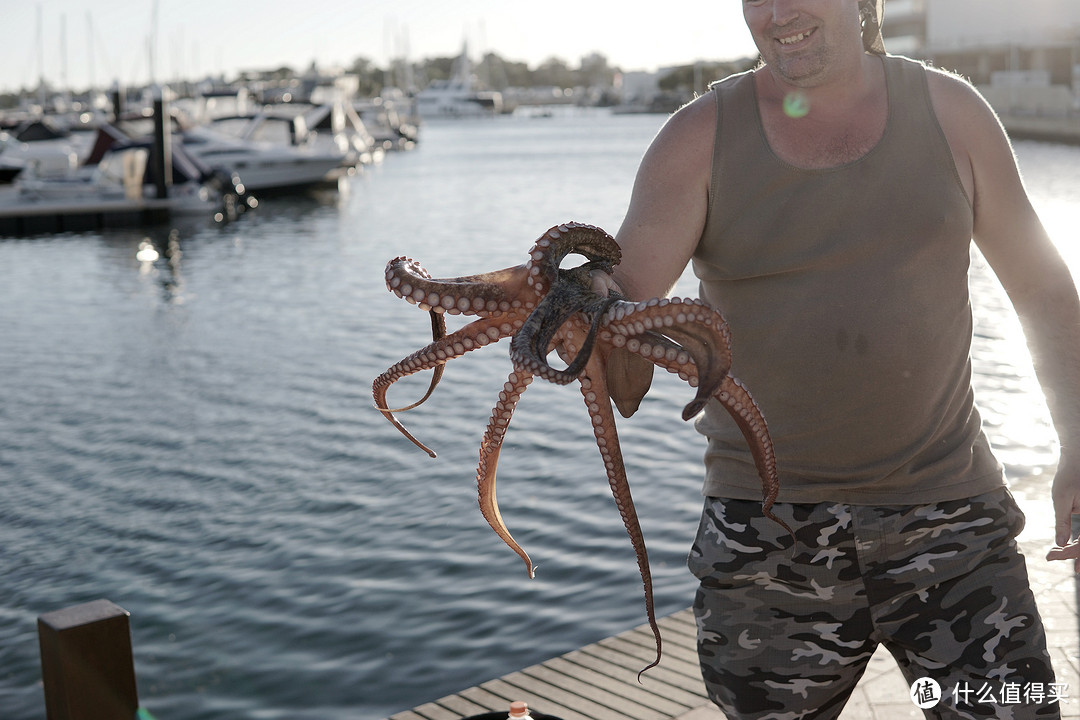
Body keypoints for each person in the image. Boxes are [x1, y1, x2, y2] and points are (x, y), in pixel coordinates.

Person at [593, 0, 1080, 717]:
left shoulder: (953, 114)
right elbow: (620, 315)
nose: (778, 11)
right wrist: (575, 302)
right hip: (764, 537)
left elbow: (1042, 290)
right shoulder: (696, 137)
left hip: (952, 521)